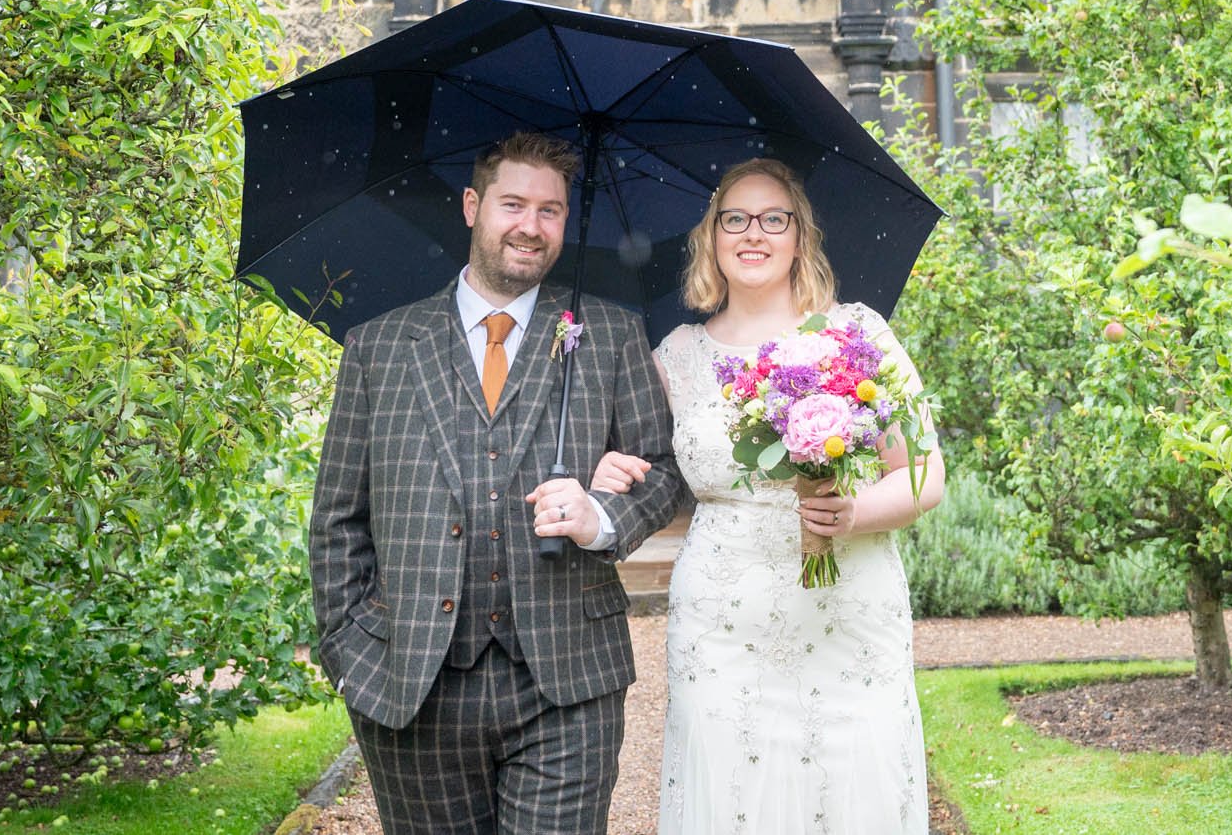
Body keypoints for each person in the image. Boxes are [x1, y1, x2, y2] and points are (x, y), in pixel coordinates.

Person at [308, 131, 691, 835]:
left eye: (551, 210)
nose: (531, 225)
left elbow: (666, 472)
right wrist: (350, 652)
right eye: (513, 203)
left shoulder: (607, 334)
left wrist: (601, 516)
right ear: (471, 205)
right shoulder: (380, 345)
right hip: (411, 682)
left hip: (568, 679)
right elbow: (338, 519)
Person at [591, 157, 946, 835]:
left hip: (848, 613)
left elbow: (928, 474)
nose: (754, 233)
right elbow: (652, 466)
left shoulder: (859, 334)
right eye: (735, 218)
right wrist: (611, 464)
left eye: (773, 218)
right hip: (723, 626)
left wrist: (854, 512)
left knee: (849, 787)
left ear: (799, 235)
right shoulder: (676, 355)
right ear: (711, 237)